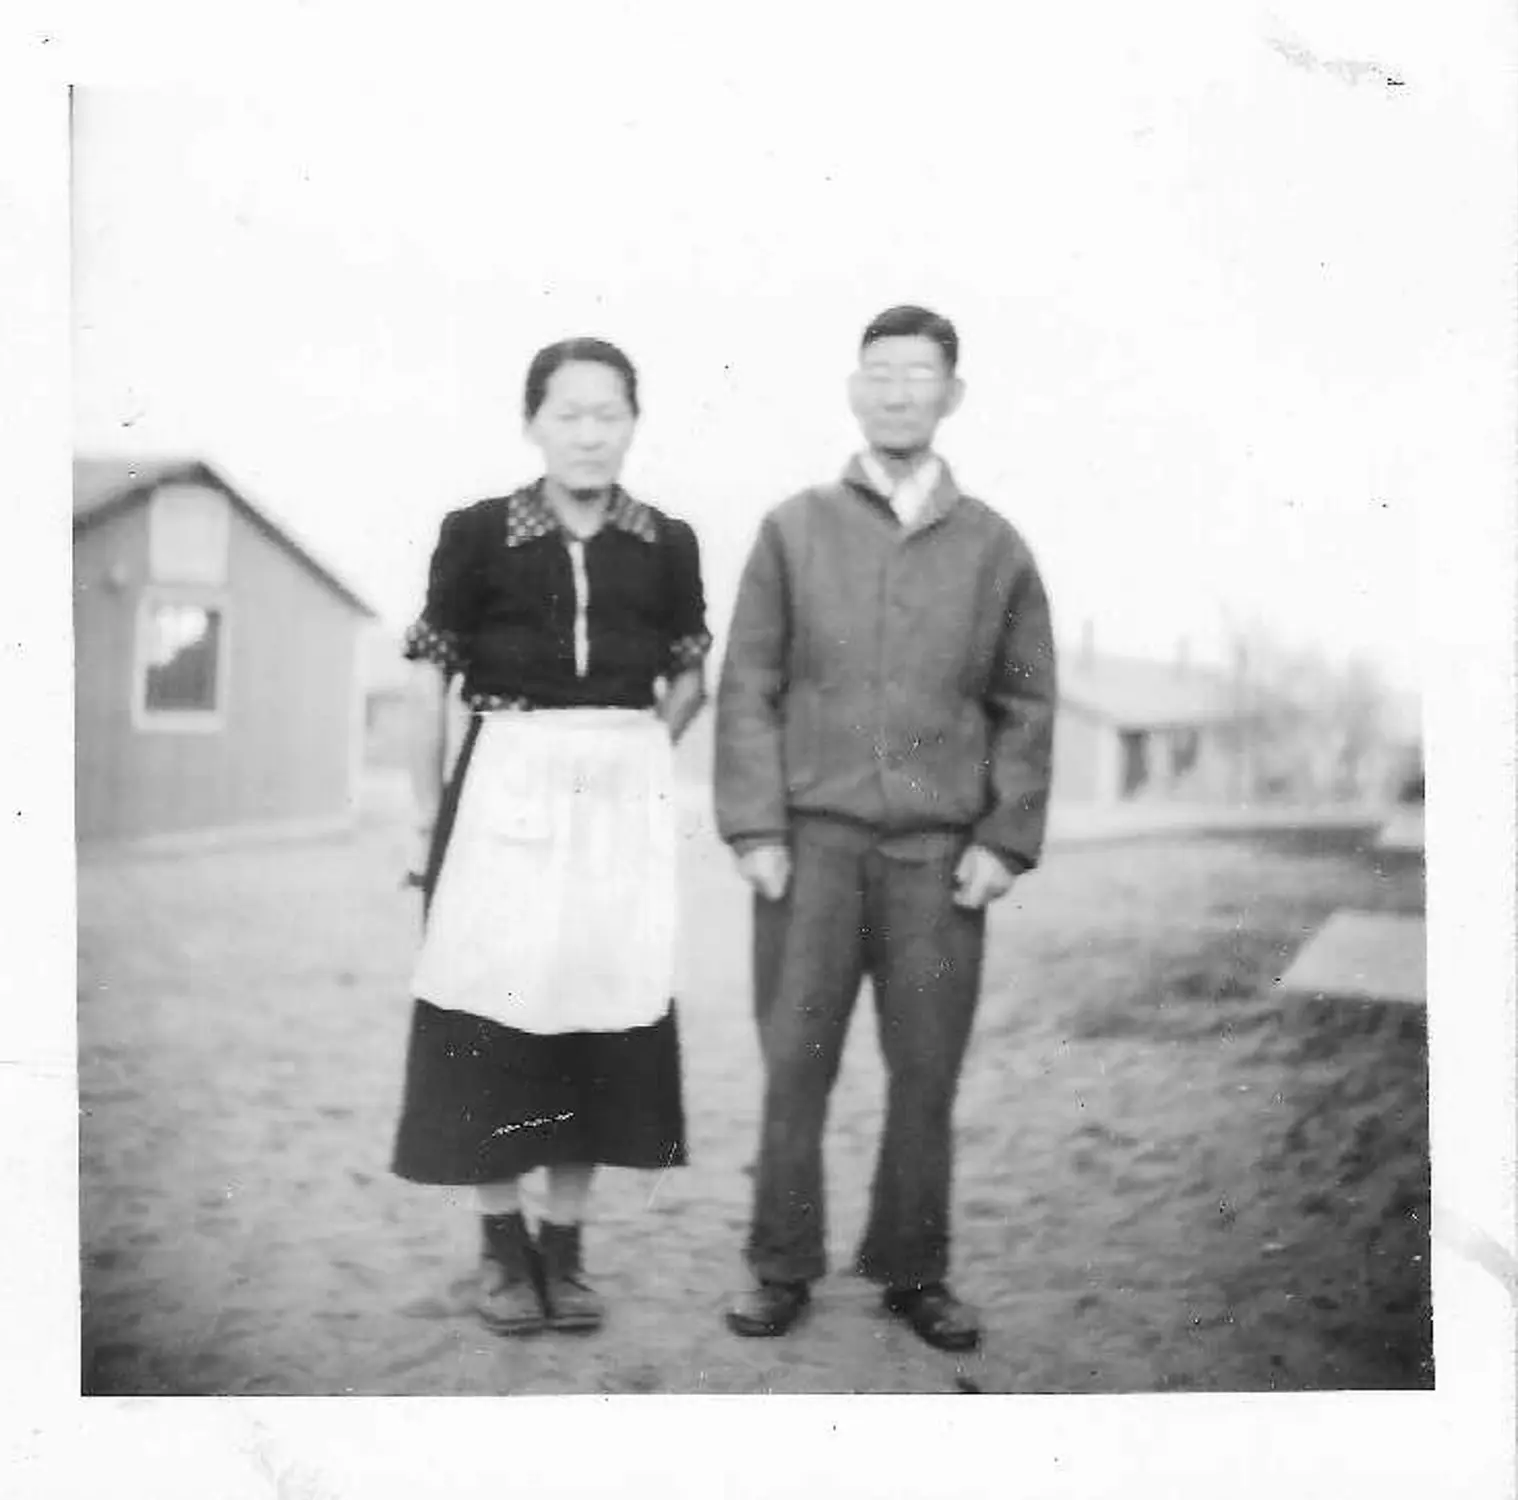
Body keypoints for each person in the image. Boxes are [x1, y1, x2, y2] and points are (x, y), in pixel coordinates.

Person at [713, 305, 1056, 1352]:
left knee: (926, 1073)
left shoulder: (995, 546)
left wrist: (1003, 841)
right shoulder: (793, 528)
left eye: (921, 374)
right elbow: (748, 687)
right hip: (810, 852)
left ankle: (915, 1270)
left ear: (952, 395)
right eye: (880, 372)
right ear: (854, 389)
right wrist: (754, 827)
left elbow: (1028, 703)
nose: (899, 390)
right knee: (795, 1065)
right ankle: (780, 1265)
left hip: (938, 863)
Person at [391, 337, 710, 1337]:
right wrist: (421, 815)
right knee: (490, 1016)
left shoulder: (667, 541)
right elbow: (427, 680)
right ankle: (500, 1248)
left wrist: (632, 759)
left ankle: (565, 1251)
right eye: (567, 413)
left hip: (619, 808)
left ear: (633, 423)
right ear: (532, 422)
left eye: (607, 413)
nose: (588, 433)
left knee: (596, 1014)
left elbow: (692, 672)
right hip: (501, 798)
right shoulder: (478, 534)